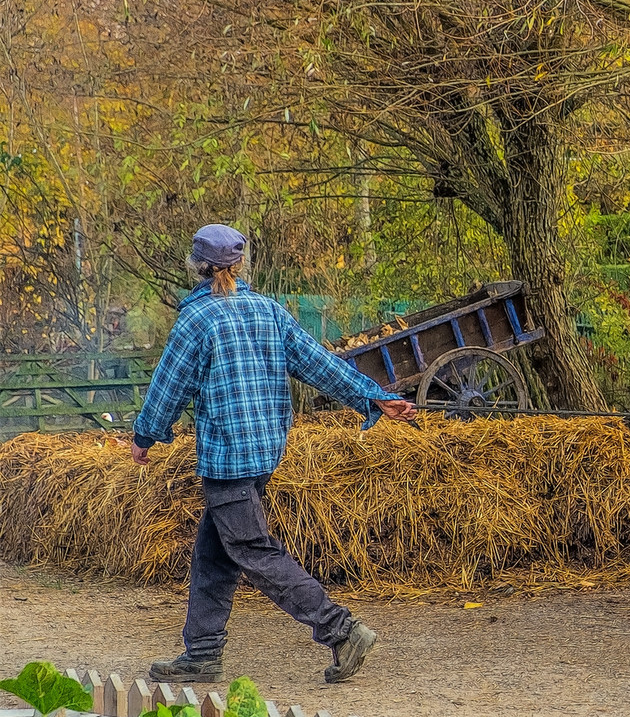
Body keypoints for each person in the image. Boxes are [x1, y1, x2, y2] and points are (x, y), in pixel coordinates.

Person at [131, 223, 417, 684]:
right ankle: (202, 651)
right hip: (264, 451)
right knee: (215, 550)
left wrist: (146, 435)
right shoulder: (269, 311)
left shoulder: (196, 320)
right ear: (240, 264)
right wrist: (372, 395)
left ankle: (340, 630)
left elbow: (169, 387)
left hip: (227, 456)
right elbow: (319, 365)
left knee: (251, 549)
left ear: (197, 266)